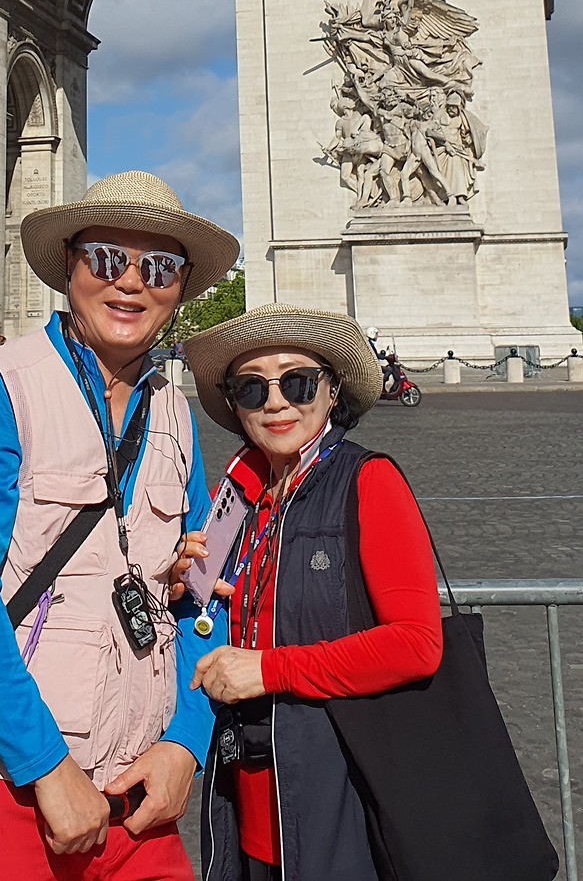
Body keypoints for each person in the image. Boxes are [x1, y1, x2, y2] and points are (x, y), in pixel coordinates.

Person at [0, 171, 241, 881]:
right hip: (10, 784)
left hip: (141, 791)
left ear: (181, 287)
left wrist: (187, 744)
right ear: (69, 265)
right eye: (106, 258)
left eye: (159, 267)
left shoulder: (176, 411)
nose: (130, 282)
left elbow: (204, 594)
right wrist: (45, 766)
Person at [181, 305, 443, 881]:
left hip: (336, 802)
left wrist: (269, 670)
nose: (276, 403)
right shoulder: (239, 502)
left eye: (298, 382)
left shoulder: (370, 480)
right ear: (234, 404)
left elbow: (417, 644)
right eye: (252, 388)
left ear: (332, 391)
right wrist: (190, 588)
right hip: (244, 806)